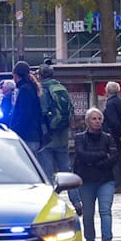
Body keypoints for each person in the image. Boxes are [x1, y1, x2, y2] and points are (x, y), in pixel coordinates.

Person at [73, 108, 119, 241]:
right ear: (87, 121)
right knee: (88, 213)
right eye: (94, 118)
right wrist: (101, 155)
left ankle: (107, 240)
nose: (97, 121)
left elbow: (113, 158)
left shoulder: (108, 138)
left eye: (99, 118)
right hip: (86, 180)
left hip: (105, 179)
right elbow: (81, 155)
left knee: (105, 211)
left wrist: (94, 162)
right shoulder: (80, 138)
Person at [37, 62, 81, 214]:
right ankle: (77, 201)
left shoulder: (42, 90)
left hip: (48, 139)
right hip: (62, 137)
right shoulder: (61, 88)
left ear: (40, 75)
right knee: (66, 172)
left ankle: (49, 204)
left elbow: (42, 113)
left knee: (48, 174)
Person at [100, 81, 121, 193]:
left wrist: (118, 133)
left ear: (107, 91)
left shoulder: (110, 103)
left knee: (115, 159)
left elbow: (113, 120)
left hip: (113, 135)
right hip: (118, 134)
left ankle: (119, 183)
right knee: (119, 158)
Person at [9, 61, 42, 153]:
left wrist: (14, 130)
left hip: (26, 136)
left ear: (15, 75)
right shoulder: (31, 88)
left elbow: (23, 115)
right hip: (33, 134)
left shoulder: (24, 90)